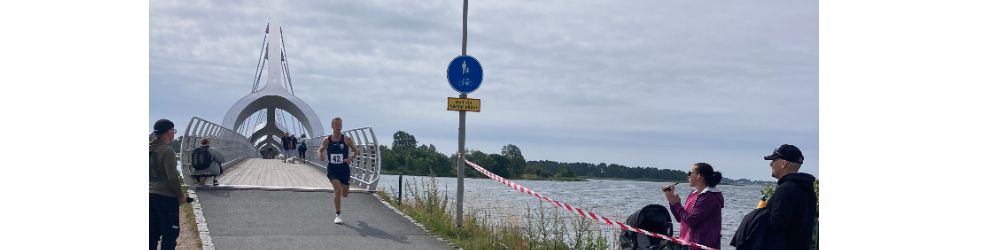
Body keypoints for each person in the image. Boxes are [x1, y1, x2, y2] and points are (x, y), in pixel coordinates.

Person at [762, 144, 817, 250]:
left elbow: (775, 224)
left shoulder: (786, 189)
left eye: (774, 160)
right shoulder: (807, 189)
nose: (771, 164)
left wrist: (760, 214)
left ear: (784, 163)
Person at [663, 163, 724, 250]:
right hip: (685, 243)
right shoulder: (693, 194)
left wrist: (676, 204)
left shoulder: (709, 197)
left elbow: (691, 221)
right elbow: (681, 219)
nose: (688, 176)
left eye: (690, 173)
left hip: (701, 246)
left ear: (698, 176)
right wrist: (672, 201)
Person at [149, 119, 187, 250]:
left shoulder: (150, 149)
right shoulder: (167, 151)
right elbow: (172, 177)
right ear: (168, 132)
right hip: (166, 197)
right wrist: (180, 194)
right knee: (169, 234)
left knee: (152, 234)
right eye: (173, 131)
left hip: (150, 195)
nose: (174, 134)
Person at [318, 117, 359, 224]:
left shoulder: (347, 139)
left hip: (344, 169)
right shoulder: (327, 140)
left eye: (340, 125)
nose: (338, 127)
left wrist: (350, 158)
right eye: (336, 125)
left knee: (345, 194)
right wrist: (320, 155)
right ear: (332, 126)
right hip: (333, 169)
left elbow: (355, 151)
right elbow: (320, 150)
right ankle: (338, 215)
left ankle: (340, 202)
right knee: (337, 190)